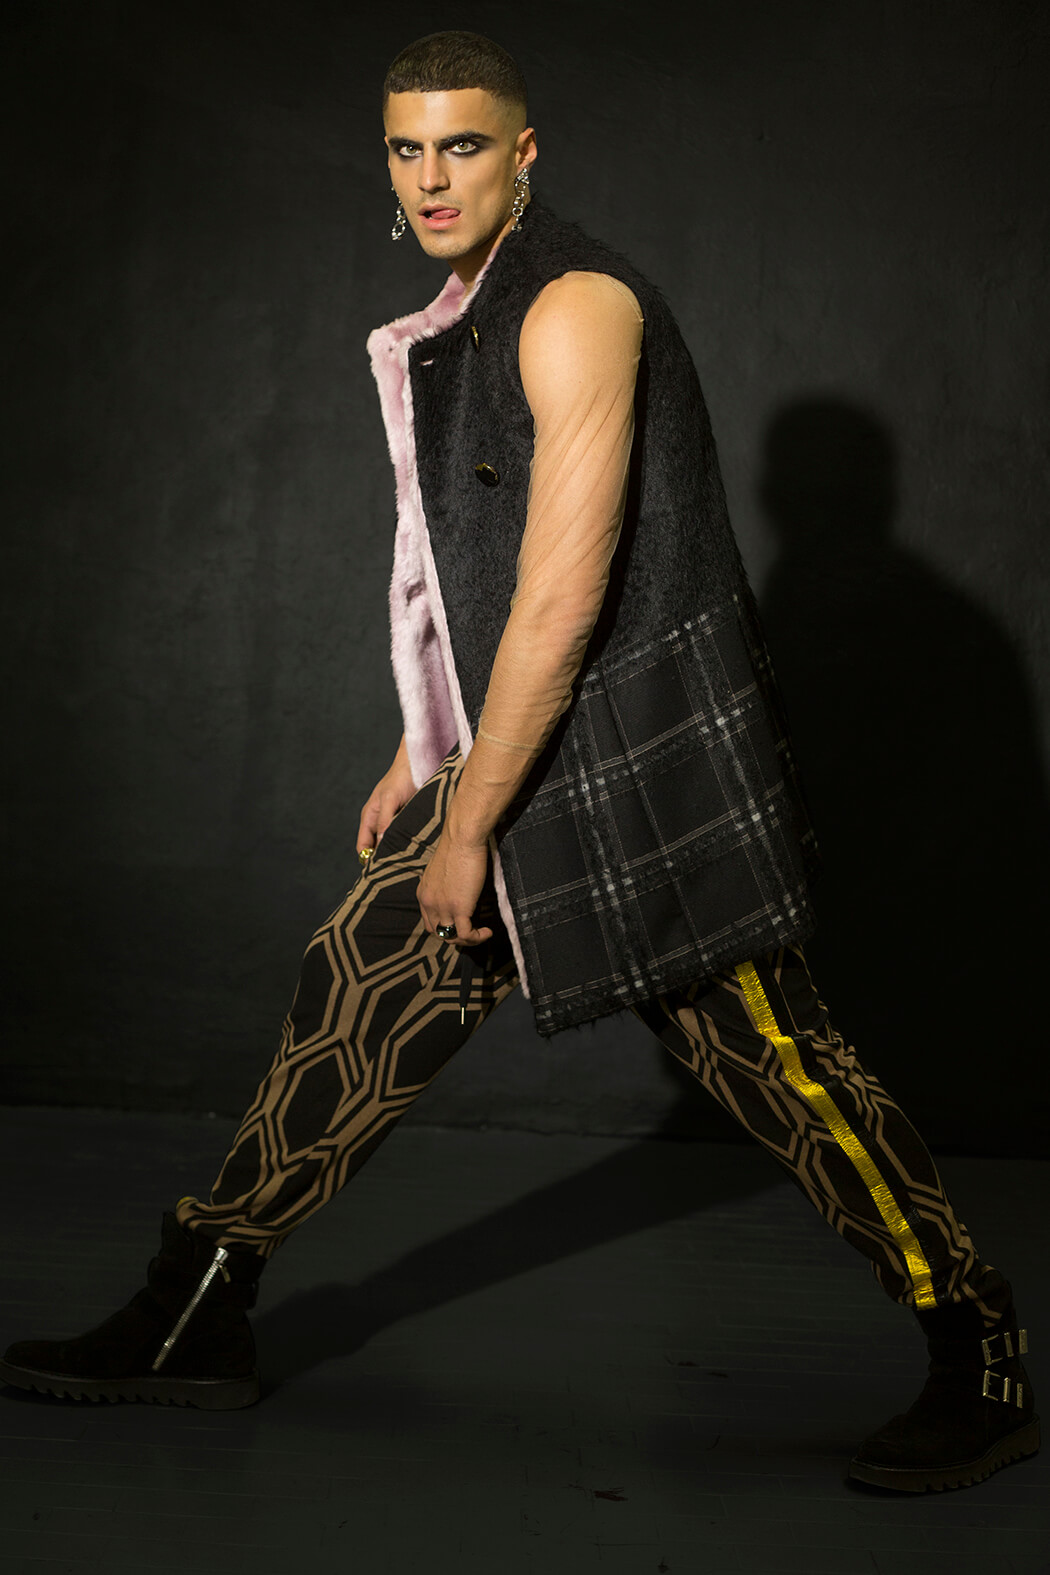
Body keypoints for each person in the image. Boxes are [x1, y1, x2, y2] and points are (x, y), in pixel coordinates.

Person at [0, 30, 1038, 1495]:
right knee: (362, 974)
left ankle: (978, 1348)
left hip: (643, 770)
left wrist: (467, 821)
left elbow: (561, 595)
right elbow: (479, 572)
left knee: (782, 1073)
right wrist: (419, 750)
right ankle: (195, 1308)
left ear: (524, 154)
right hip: (533, 742)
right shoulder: (470, 316)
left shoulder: (572, 307)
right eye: (406, 149)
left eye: (464, 145)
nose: (432, 177)